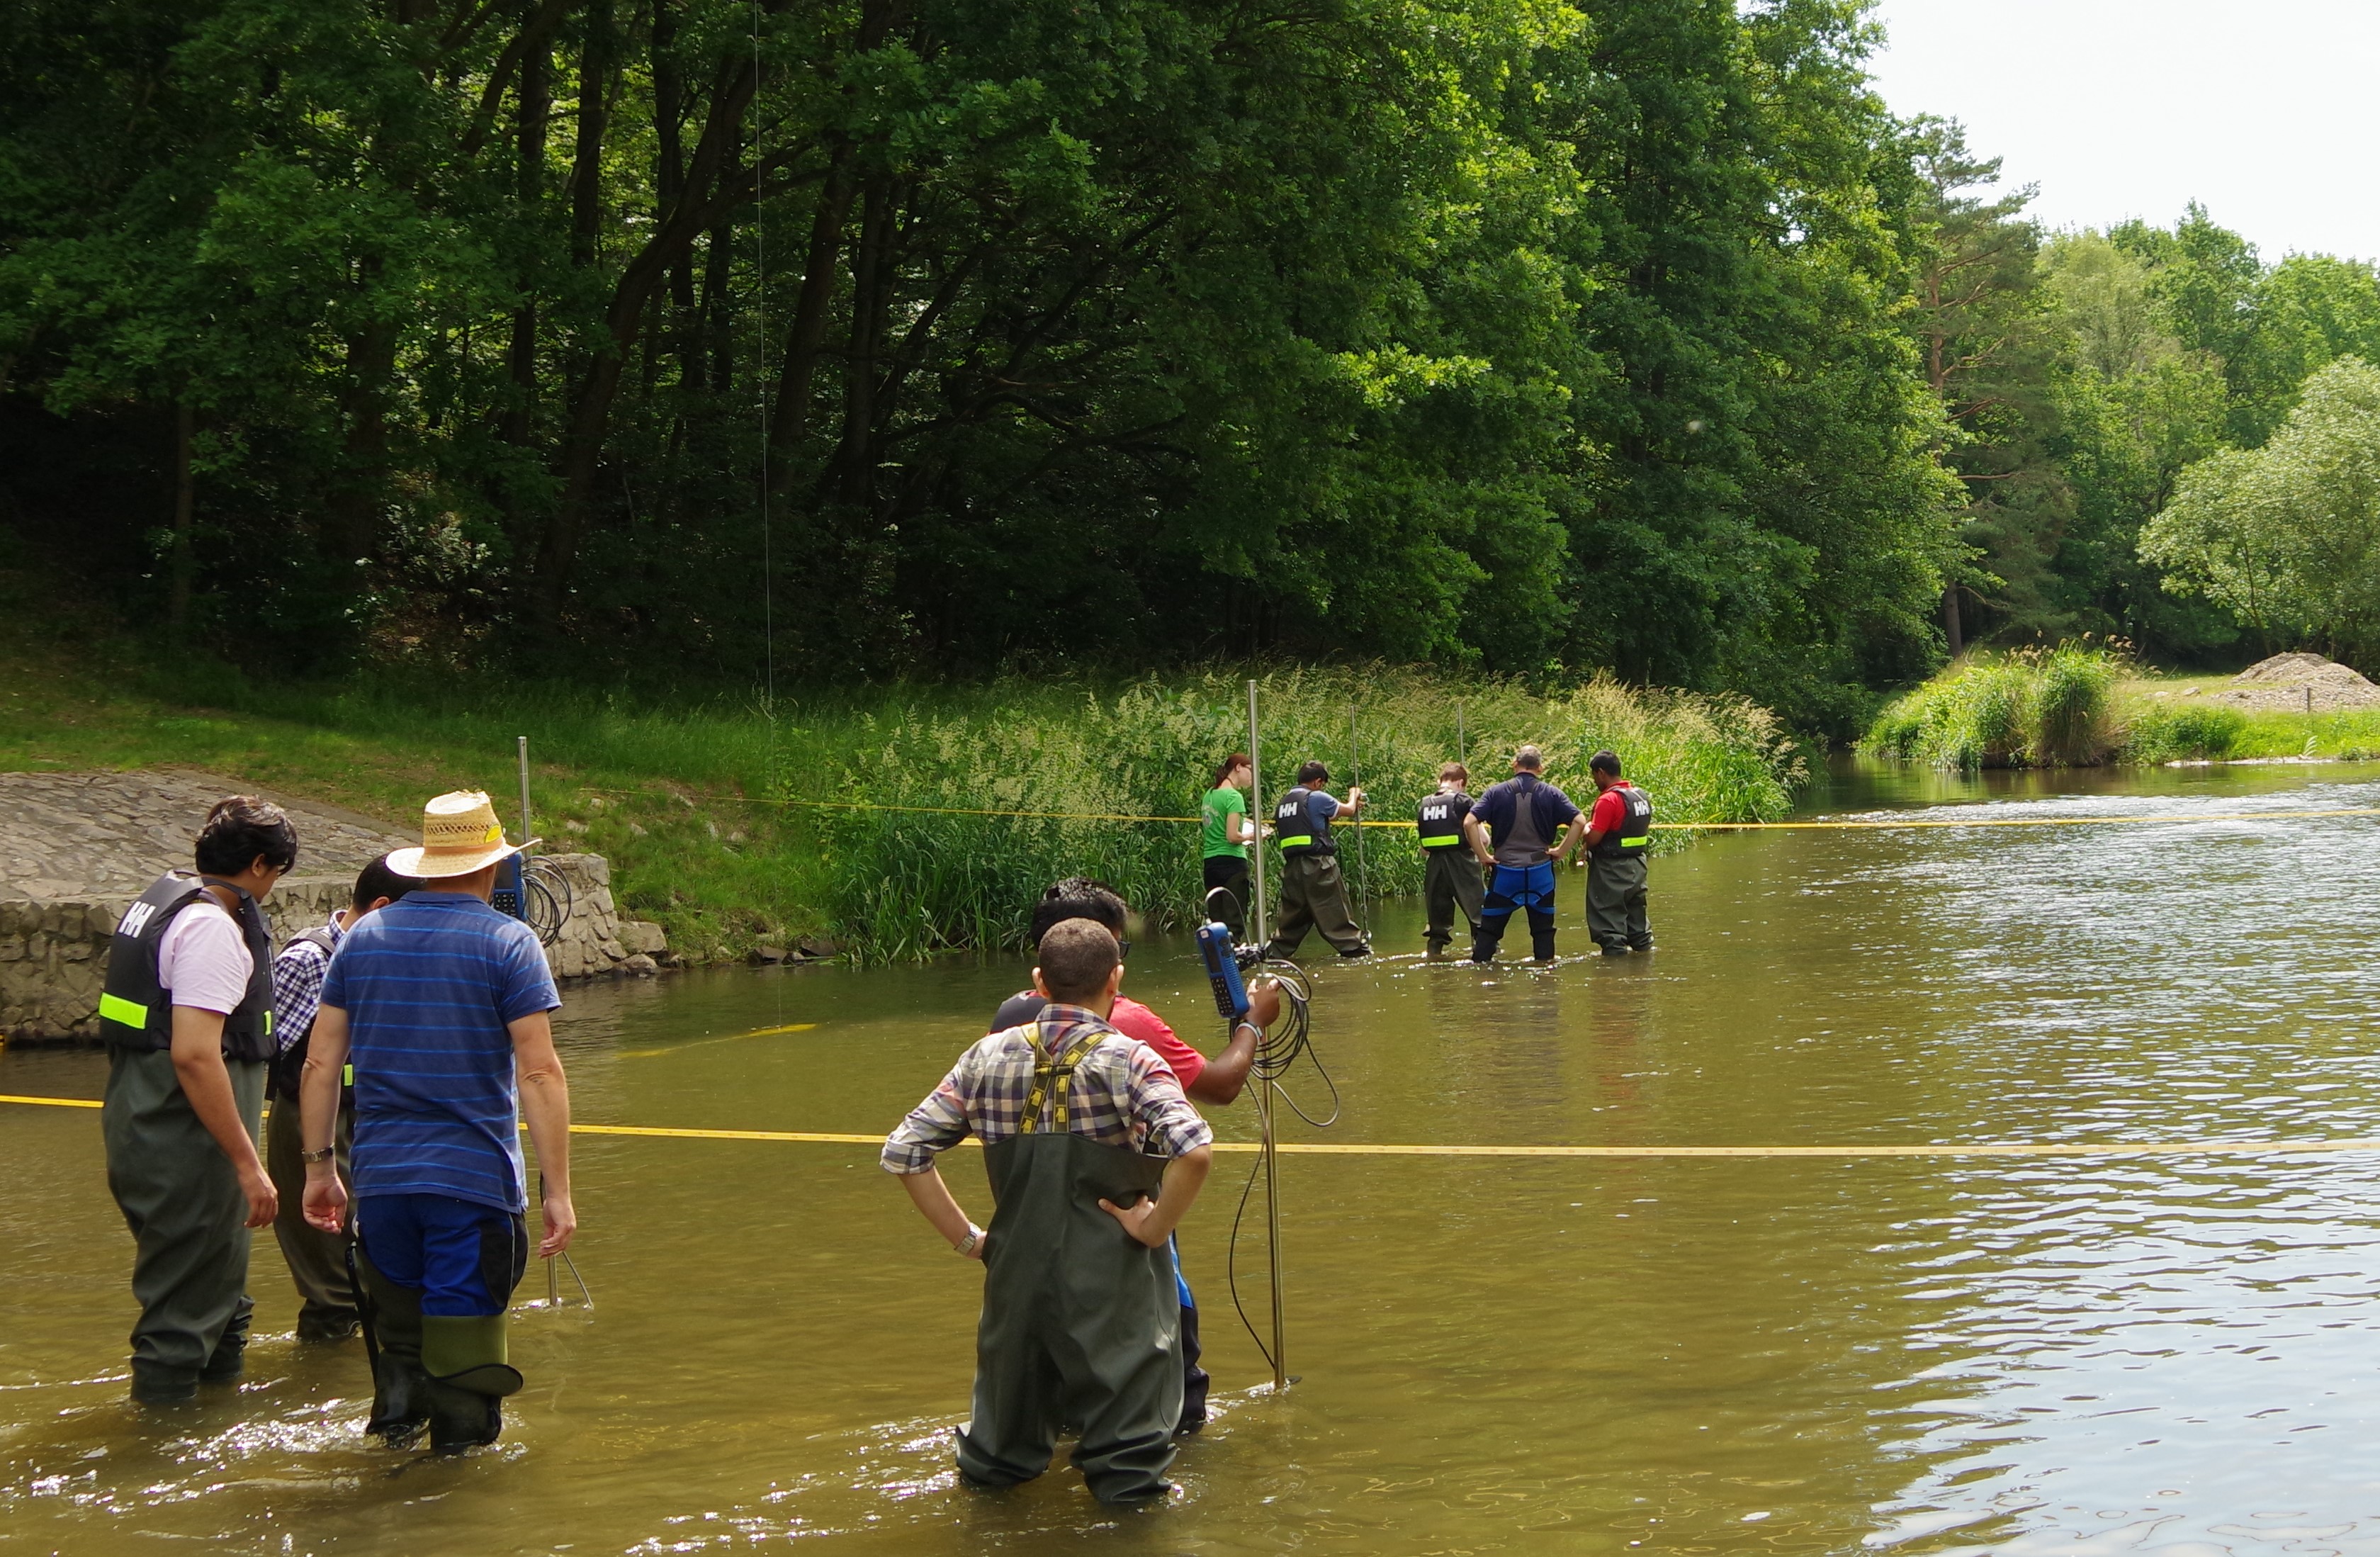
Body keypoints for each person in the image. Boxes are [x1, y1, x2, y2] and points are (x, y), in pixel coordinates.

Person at [886, 918, 1214, 1505]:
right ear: (1116, 978)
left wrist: (972, 1241)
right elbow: (1195, 1149)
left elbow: (905, 1152)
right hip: (1114, 1292)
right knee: (1128, 1474)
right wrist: (1152, 1228)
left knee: (994, 1466)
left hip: (1016, 1286)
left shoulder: (984, 1057)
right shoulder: (1131, 1061)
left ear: (1038, 982)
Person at [299, 791, 573, 1454]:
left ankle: (388, 1475)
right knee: (466, 1367)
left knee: (400, 1352)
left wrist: (320, 1170)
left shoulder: (362, 936)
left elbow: (319, 1061)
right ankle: (455, 1506)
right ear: (493, 866)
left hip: (385, 1188)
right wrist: (557, 1191)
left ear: (425, 864)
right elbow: (538, 1073)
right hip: (472, 1189)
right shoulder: (510, 942)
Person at [987, 877, 1280, 1434]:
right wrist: (1252, 1024)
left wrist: (970, 1238)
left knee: (1065, 1402)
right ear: (1108, 959)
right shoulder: (1127, 1021)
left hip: (1033, 1243)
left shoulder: (1006, 1021)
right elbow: (1218, 1087)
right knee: (1173, 1398)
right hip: (1123, 1232)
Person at [98, 795, 298, 1403]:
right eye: (278, 873)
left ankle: (213, 1421)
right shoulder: (211, 929)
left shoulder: (166, 904)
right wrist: (249, 1163)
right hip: (188, 1144)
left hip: (145, 1128)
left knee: (220, 1299)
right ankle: (157, 1457)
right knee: (181, 1321)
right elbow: (194, 1052)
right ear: (261, 865)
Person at [264, 854, 423, 1343]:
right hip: (314, 1124)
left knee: (377, 1271)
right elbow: (264, 1055)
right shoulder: (308, 960)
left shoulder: (390, 956)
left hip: (372, 1121)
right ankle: (322, 1374)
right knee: (335, 1279)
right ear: (380, 907)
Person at [1465, 746, 1587, 964]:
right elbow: (1579, 821)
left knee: (1488, 935)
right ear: (1540, 768)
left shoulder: (1496, 792)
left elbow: (1469, 822)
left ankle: (1480, 986)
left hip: (1505, 875)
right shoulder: (1552, 793)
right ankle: (1546, 988)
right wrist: (1561, 850)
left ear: (1515, 764)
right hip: (1541, 875)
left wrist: (1483, 855)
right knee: (1543, 934)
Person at [1263, 760, 1369, 960]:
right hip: (1318, 865)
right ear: (1318, 782)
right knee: (1335, 910)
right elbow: (1349, 809)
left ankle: (1272, 956)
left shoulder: (1285, 803)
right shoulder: (1316, 797)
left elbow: (1317, 820)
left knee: (1292, 920)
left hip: (1292, 869)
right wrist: (1354, 795)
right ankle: (1357, 952)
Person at [1581, 749, 1655, 955]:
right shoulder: (1640, 795)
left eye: (1595, 775)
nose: (1595, 780)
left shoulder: (1608, 800)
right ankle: (1644, 971)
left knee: (1610, 931)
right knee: (1639, 930)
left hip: (1612, 871)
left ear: (1601, 773)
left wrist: (1586, 828)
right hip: (1638, 868)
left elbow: (1594, 838)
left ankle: (1613, 980)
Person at [1416, 761, 1483, 957]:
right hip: (1462, 862)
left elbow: (1424, 849)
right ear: (1461, 783)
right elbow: (1484, 839)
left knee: (1437, 922)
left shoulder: (1425, 803)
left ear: (1440, 781)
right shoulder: (1463, 801)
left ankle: (1434, 957)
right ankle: (1484, 958)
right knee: (1478, 915)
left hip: (1434, 865)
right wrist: (1484, 856)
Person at [1199, 754, 1259, 934]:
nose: (1252, 777)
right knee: (1234, 923)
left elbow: (1221, 820)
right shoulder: (1234, 796)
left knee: (1216, 923)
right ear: (1239, 768)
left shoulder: (1209, 795)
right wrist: (1252, 836)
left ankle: (1217, 959)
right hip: (1233, 864)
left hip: (1211, 863)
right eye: (1251, 770)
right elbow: (1232, 836)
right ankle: (1233, 959)